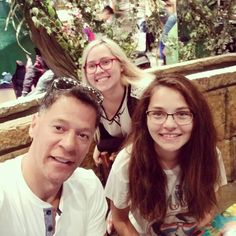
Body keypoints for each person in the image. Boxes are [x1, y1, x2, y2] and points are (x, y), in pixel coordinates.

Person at [105, 74, 227, 235]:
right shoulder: (127, 162)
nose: (169, 124)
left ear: (197, 118)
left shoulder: (208, 154)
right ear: (145, 118)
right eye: (158, 113)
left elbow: (211, 203)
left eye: (182, 113)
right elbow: (120, 220)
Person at [0, 77, 108, 236]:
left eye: (83, 135)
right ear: (34, 125)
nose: (69, 144)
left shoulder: (89, 187)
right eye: (59, 128)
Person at [81, 37, 154, 183]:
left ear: (121, 65)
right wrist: (102, 144)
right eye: (91, 66)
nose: (99, 70)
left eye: (106, 62)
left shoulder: (143, 93)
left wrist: (120, 150)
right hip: (130, 172)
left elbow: (150, 138)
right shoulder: (92, 103)